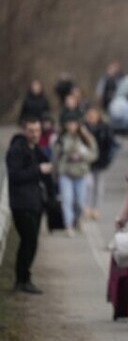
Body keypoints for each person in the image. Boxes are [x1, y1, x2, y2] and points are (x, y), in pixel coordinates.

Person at [6, 116, 55, 294]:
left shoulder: (36, 149)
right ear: (24, 130)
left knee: (31, 242)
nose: (35, 134)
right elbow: (15, 175)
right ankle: (22, 279)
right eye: (31, 131)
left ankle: (24, 278)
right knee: (29, 241)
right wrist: (38, 170)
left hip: (34, 202)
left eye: (37, 131)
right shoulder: (17, 149)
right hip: (21, 203)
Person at [53, 111, 98, 237]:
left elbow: (94, 154)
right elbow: (56, 156)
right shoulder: (61, 138)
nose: (72, 126)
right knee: (67, 200)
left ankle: (78, 219)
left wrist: (82, 155)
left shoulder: (86, 138)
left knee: (79, 201)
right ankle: (68, 225)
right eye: (69, 124)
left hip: (81, 173)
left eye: (74, 123)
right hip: (65, 172)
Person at [83, 105, 117, 220]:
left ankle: (95, 208)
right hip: (87, 163)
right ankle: (86, 207)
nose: (92, 117)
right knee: (88, 186)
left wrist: (107, 160)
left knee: (98, 187)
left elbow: (112, 145)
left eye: (94, 115)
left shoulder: (105, 128)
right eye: (89, 115)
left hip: (100, 162)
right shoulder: (83, 129)